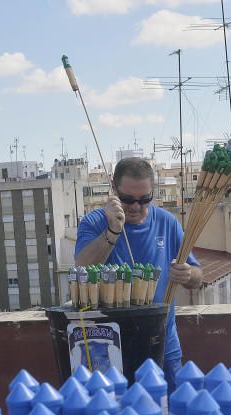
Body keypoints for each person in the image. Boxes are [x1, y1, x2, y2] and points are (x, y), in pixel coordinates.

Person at [75, 157, 203, 392]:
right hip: (112, 351)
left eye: (144, 199)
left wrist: (188, 274)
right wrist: (113, 231)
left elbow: (197, 277)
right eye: (127, 199)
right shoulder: (94, 223)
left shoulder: (167, 222)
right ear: (114, 190)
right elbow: (83, 266)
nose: (135, 207)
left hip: (163, 347)